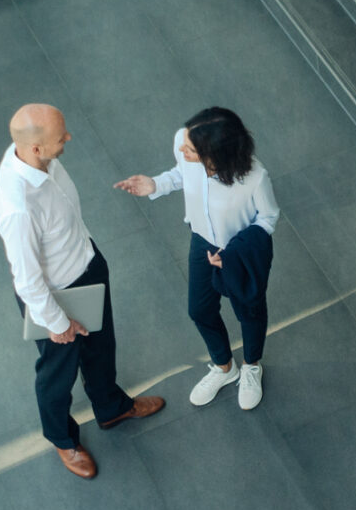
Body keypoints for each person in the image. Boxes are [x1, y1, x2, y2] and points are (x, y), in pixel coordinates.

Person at [0, 103, 163, 478]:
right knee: (57, 376)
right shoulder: (17, 206)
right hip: (55, 297)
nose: (68, 138)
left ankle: (112, 407)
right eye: (60, 137)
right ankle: (63, 440)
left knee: (102, 349)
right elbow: (27, 278)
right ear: (35, 148)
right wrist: (57, 321)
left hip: (86, 264)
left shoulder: (42, 161)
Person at [115, 106, 278, 410]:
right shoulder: (185, 140)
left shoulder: (255, 178)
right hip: (202, 242)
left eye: (190, 149)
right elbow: (182, 172)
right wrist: (156, 184)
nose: (181, 148)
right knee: (199, 309)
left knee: (250, 311)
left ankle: (251, 366)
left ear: (216, 154)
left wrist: (232, 255)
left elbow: (268, 218)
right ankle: (224, 368)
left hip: (238, 253)